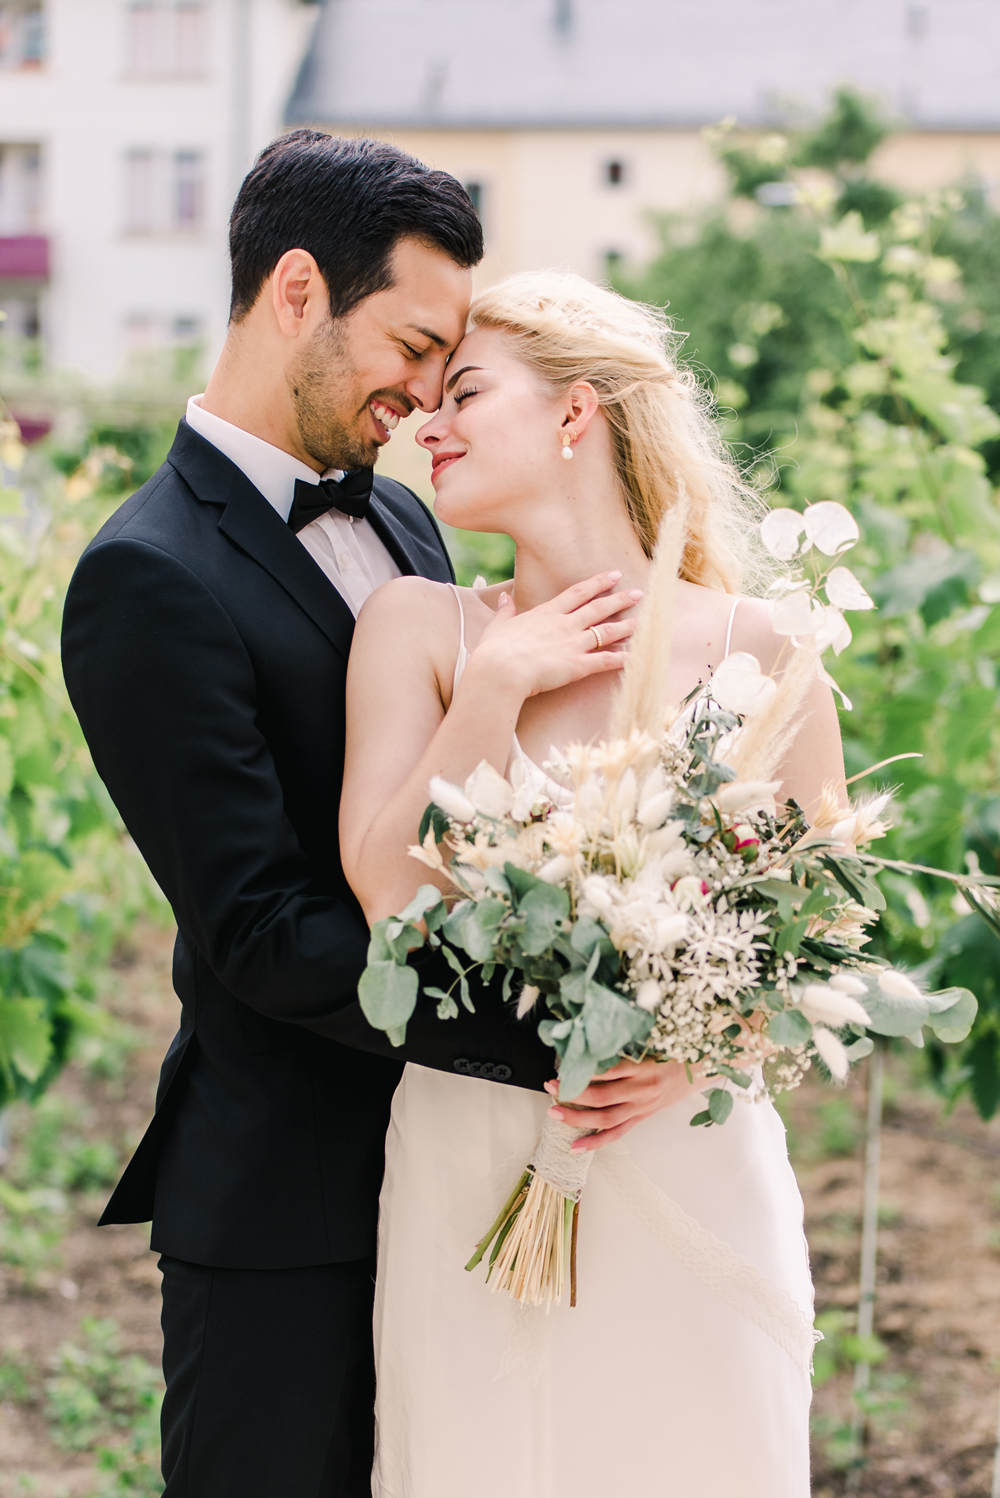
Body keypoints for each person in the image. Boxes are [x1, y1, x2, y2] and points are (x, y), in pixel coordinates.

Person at [60, 134, 663, 1498]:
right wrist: (557, 1033)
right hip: (290, 1201)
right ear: (295, 293)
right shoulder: (145, 575)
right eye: (412, 344)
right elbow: (263, 932)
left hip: (469, 1174)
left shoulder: (404, 519)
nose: (427, 393)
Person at [340, 272, 846, 1497]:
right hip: (471, 1157)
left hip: (682, 1154)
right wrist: (495, 684)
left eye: (465, 392)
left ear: (576, 412)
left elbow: (822, 928)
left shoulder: (763, 647)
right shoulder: (420, 628)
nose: (427, 425)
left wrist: (695, 1051)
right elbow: (386, 894)